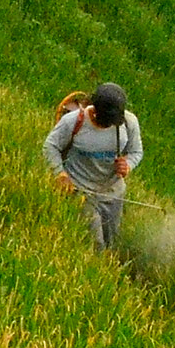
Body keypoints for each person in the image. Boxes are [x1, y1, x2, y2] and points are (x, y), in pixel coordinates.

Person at [44, 81, 143, 250]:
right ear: (95, 110)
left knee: (112, 241)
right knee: (96, 244)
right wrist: (60, 173)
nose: (110, 124)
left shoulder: (129, 122)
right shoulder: (74, 122)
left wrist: (127, 165)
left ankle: (109, 268)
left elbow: (136, 152)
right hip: (81, 192)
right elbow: (50, 146)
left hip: (113, 193)